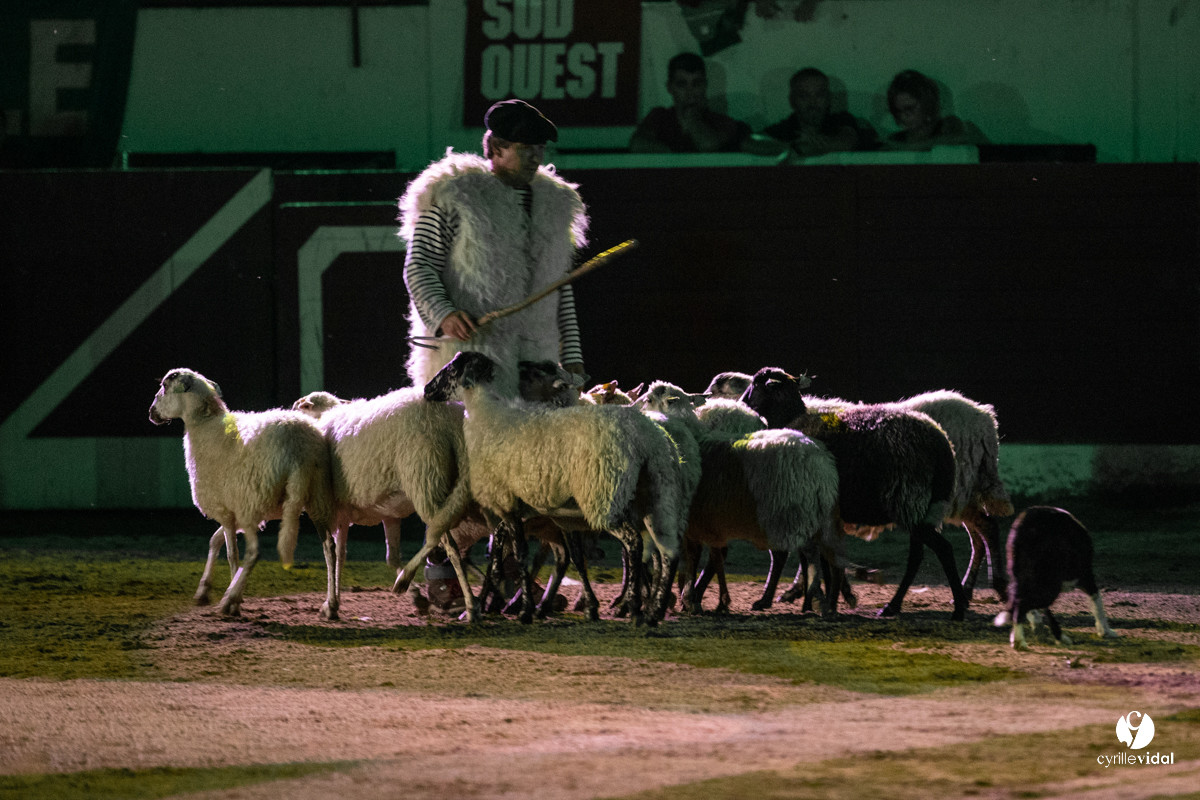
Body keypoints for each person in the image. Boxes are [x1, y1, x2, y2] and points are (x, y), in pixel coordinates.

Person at [398, 98, 590, 612]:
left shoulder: (554, 204)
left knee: (532, 475)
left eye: (540, 149)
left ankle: (513, 578)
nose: (535, 158)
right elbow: (419, 267)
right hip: (472, 358)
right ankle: (442, 570)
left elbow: (562, 290)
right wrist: (443, 314)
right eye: (525, 149)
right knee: (464, 471)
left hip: (538, 359)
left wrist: (570, 359)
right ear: (496, 148)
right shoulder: (455, 196)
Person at [629, 52, 783, 155]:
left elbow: (708, 145)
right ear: (670, 88)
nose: (690, 92)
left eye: (696, 84)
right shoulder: (659, 116)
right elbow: (637, 144)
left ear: (705, 86)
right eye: (682, 84)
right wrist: (676, 155)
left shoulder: (721, 122)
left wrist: (692, 118)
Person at [761, 67, 878, 157]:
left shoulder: (842, 120)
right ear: (792, 100)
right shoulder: (784, 129)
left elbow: (846, 142)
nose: (813, 103)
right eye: (804, 96)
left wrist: (797, 148)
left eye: (819, 95)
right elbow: (752, 142)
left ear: (828, 98)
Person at [883, 69, 987, 151]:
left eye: (910, 108)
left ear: (926, 103)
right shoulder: (896, 138)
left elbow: (963, 138)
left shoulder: (949, 125)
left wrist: (908, 148)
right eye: (898, 111)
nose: (904, 116)